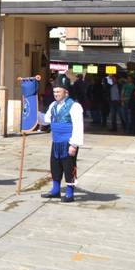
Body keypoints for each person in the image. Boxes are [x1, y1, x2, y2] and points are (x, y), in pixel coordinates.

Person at [38, 73, 84, 203]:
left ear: (66, 92)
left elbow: (78, 126)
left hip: (68, 142)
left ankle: (69, 193)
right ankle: (55, 190)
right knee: (55, 166)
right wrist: (33, 115)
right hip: (56, 141)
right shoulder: (53, 105)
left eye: (58, 91)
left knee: (69, 167)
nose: (56, 94)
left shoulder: (75, 106)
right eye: (54, 91)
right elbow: (46, 120)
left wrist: (74, 145)